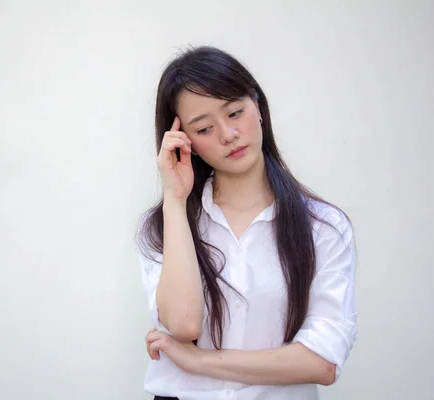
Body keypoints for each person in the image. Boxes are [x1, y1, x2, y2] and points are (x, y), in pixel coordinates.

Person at [136, 46, 358, 400]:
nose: (228, 134)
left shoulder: (323, 227)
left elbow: (322, 361)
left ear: (259, 108)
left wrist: (200, 362)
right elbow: (183, 324)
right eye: (205, 128)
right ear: (184, 141)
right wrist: (175, 201)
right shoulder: (162, 227)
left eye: (236, 112)